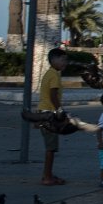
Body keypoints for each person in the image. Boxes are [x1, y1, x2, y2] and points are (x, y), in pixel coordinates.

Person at [36, 48, 71, 186]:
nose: (65, 63)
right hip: (49, 114)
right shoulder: (54, 75)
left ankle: (48, 174)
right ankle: (47, 177)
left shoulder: (49, 73)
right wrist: (60, 112)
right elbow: (53, 96)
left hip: (44, 112)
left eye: (66, 60)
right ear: (53, 60)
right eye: (63, 60)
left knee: (51, 147)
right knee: (51, 148)